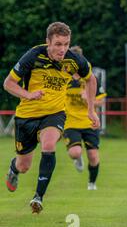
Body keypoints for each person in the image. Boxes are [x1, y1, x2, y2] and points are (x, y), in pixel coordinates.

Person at [3, 22, 100, 214]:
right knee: (24, 166)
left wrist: (91, 110)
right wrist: (28, 94)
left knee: (49, 145)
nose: (62, 49)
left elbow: (91, 79)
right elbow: (8, 83)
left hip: (54, 113)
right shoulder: (33, 55)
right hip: (27, 115)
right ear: (48, 42)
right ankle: (13, 168)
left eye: (65, 44)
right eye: (58, 44)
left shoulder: (74, 60)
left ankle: (38, 197)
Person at [64, 46, 107, 190]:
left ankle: (92, 183)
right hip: (70, 122)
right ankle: (77, 158)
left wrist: (89, 99)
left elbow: (101, 101)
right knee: (74, 152)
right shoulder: (64, 78)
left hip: (89, 122)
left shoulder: (90, 78)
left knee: (94, 156)